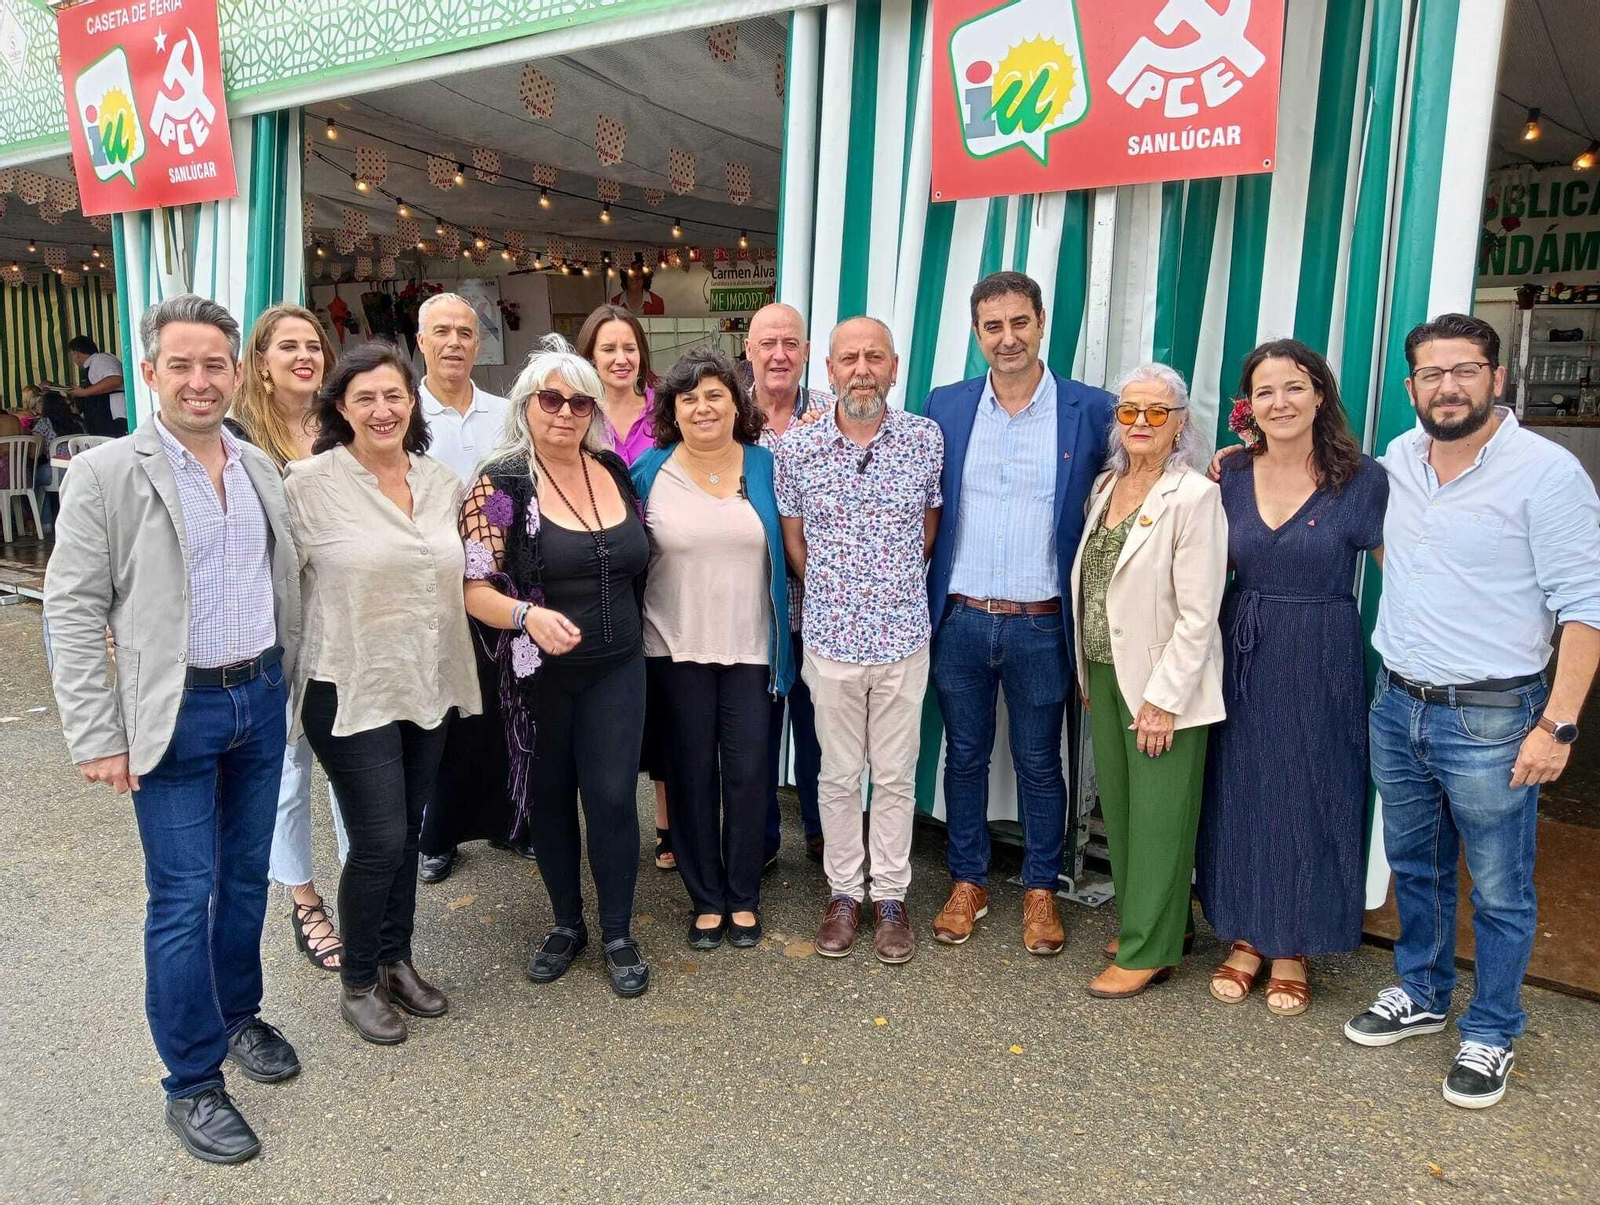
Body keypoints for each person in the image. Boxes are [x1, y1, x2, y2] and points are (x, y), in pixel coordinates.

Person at [43, 294, 303, 1165]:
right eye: (180, 365)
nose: (200, 381)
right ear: (148, 372)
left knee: (244, 880)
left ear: (238, 371)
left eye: (214, 364)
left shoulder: (258, 465)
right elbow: (73, 609)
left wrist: (289, 691)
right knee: (181, 899)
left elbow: (285, 584)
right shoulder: (108, 473)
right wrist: (96, 732)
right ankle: (191, 1081)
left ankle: (237, 1016)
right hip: (173, 715)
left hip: (259, 696)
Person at [1343, 313, 1600, 1109]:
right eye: (1431, 373)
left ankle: (1492, 1027)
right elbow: (1393, 544)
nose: (1446, 386)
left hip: (1494, 718)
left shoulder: (1546, 473)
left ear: (1495, 377)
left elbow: (1586, 608)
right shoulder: (1400, 459)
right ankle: (1421, 991)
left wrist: (1557, 723)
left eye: (1463, 370)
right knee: (1415, 866)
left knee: (1500, 886)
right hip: (1400, 701)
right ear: (1412, 385)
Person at [285, 340, 480, 1045]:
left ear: (412, 401)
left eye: (393, 394)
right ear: (341, 407)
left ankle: (397, 958)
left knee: (407, 832)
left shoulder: (439, 482)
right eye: (364, 396)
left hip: (424, 677)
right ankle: (359, 980)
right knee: (377, 839)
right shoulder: (306, 483)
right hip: (349, 682)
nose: (382, 408)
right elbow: (274, 586)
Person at [923, 270, 1114, 953]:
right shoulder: (945, 405)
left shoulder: (1091, 410)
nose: (1008, 338)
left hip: (1042, 621)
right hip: (963, 616)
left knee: (1039, 761)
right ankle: (967, 879)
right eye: (993, 326)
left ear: (1041, 323)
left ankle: (1040, 888)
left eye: (1019, 323)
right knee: (965, 755)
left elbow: (1150, 471)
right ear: (977, 334)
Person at [1196, 340, 1388, 1016]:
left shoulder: (1362, 478)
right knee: (1240, 784)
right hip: (1242, 643)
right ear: (1251, 405)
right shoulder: (1229, 475)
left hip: (1322, 650)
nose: (1281, 402)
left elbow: (1407, 576)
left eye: (1295, 387)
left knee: (1311, 785)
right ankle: (1245, 933)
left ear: (1319, 396)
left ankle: (1293, 945)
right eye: (1267, 391)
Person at [460, 335, 653, 999]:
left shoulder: (613, 471)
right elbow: (474, 586)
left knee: (610, 798)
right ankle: (567, 924)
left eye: (579, 400)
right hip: (537, 677)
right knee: (548, 799)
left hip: (619, 667)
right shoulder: (503, 483)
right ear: (526, 405)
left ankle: (619, 931)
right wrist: (527, 616)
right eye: (551, 398)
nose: (565, 411)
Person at [775, 316, 943, 964]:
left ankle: (892, 896)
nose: (863, 368)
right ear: (831, 371)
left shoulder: (925, 441)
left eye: (875, 357)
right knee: (840, 777)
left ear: (894, 367)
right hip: (831, 640)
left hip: (903, 637)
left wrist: (885, 588)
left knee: (896, 777)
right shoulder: (798, 449)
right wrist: (839, 593)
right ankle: (845, 892)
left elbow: (927, 530)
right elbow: (794, 540)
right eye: (850, 358)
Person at [1069, 363, 1226, 1000]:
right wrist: (1087, 665)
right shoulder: (1107, 486)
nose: (1139, 422)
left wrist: (1164, 699)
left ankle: (1147, 950)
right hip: (1104, 672)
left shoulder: (1194, 496)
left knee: (1160, 817)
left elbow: (1199, 612)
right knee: (1127, 811)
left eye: (1156, 413)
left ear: (1180, 423)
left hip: (1162, 685)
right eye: (1129, 410)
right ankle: (1153, 922)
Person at [631, 347, 794, 948]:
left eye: (715, 394)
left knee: (751, 776)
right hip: (672, 651)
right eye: (689, 397)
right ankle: (705, 898)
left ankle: (743, 895)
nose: (703, 406)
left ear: (736, 402)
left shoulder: (766, 466)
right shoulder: (648, 472)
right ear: (674, 409)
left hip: (753, 649)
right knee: (690, 775)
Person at [228, 304, 349, 972]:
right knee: (288, 770)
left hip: (346, 622)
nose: (305, 356)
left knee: (355, 761)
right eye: (289, 347)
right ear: (263, 365)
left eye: (313, 346)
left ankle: (367, 882)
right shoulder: (243, 444)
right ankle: (305, 899)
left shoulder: (345, 429)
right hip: (275, 629)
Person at [411, 291, 518, 884]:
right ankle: (439, 833)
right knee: (439, 714)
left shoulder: (505, 413)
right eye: (442, 332)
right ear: (420, 341)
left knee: (503, 710)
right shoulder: (403, 413)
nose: (454, 342)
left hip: (499, 585)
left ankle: (509, 820)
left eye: (465, 332)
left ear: (479, 343)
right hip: (429, 587)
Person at [576, 304, 675, 871]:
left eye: (629, 346)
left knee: (661, 701)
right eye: (607, 348)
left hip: (659, 571)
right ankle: (604, 825)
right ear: (589, 355)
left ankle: (666, 825)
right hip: (592, 579)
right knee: (601, 710)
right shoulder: (573, 413)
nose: (620, 358)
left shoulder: (665, 411)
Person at [746, 302, 830, 868]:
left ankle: (828, 836)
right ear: (748, 351)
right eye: (768, 343)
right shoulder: (724, 416)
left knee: (822, 735)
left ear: (805, 352)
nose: (779, 354)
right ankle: (763, 840)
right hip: (751, 610)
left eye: (791, 343)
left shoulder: (833, 415)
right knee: (755, 737)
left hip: (820, 610)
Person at [66, 334, 126, 435]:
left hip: (113, 418)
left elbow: (115, 380)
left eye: (73, 355)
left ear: (77, 353)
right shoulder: (92, 365)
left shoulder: (101, 359)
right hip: (100, 421)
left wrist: (84, 392)